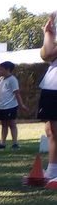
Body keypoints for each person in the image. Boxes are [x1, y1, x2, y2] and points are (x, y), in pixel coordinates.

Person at [0, 61, 27, 150]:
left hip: (10, 106)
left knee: (12, 124)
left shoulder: (12, 80)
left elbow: (17, 93)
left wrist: (21, 105)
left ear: (8, 69)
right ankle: (2, 143)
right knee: (3, 125)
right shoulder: (1, 80)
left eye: (1, 69)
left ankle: (15, 143)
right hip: (1, 106)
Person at [39, 14, 57, 181]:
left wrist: (48, 34)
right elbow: (45, 55)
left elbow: (49, 52)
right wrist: (49, 34)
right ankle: (52, 170)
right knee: (50, 131)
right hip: (51, 86)